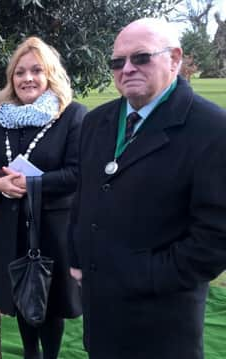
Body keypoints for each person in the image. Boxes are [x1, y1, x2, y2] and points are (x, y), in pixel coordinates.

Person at [68, 18, 226, 359]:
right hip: (100, 315)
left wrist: (140, 277)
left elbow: (215, 240)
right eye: (117, 61)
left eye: (141, 58)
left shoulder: (213, 129)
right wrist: (77, 257)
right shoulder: (97, 121)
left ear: (175, 59)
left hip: (161, 323)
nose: (127, 69)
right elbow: (84, 196)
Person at [0, 37, 85, 359]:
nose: (27, 78)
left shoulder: (72, 116)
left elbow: (77, 173)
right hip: (11, 227)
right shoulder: (3, 119)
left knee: (48, 301)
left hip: (52, 229)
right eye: (20, 72)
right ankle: (29, 354)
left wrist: (32, 181)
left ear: (50, 74)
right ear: (12, 78)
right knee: (21, 296)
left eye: (36, 70)